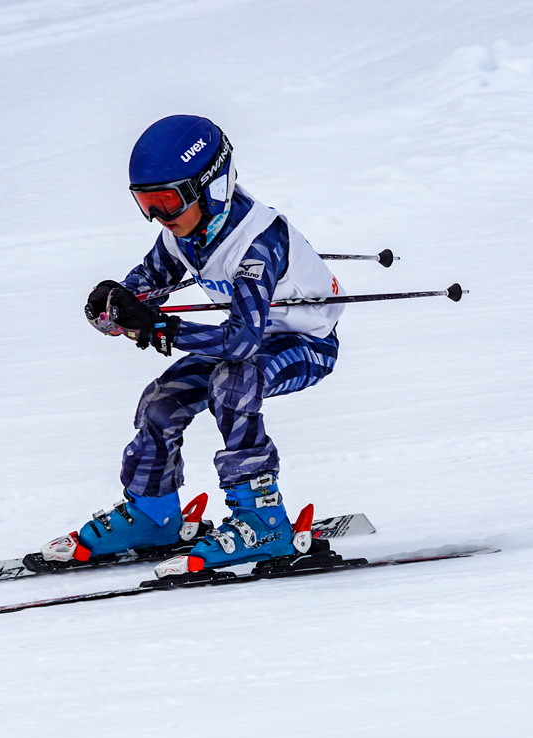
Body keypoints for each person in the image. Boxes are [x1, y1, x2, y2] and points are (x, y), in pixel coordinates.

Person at [44, 114, 344, 578]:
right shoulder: (182, 231)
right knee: (162, 401)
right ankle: (153, 515)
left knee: (232, 384)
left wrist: (161, 331)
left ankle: (263, 521)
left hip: (304, 345)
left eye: (167, 201)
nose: (159, 216)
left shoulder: (256, 245)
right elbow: (146, 286)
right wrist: (116, 306)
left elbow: (241, 342)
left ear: (213, 186)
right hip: (245, 343)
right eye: (147, 203)